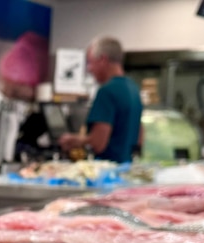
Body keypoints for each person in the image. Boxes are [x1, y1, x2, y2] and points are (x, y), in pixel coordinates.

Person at [58, 36, 142, 164]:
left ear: (102, 59)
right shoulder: (133, 88)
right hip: (126, 168)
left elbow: (99, 143)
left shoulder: (107, 91)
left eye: (90, 62)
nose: (89, 69)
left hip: (107, 172)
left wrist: (75, 140)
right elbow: (140, 135)